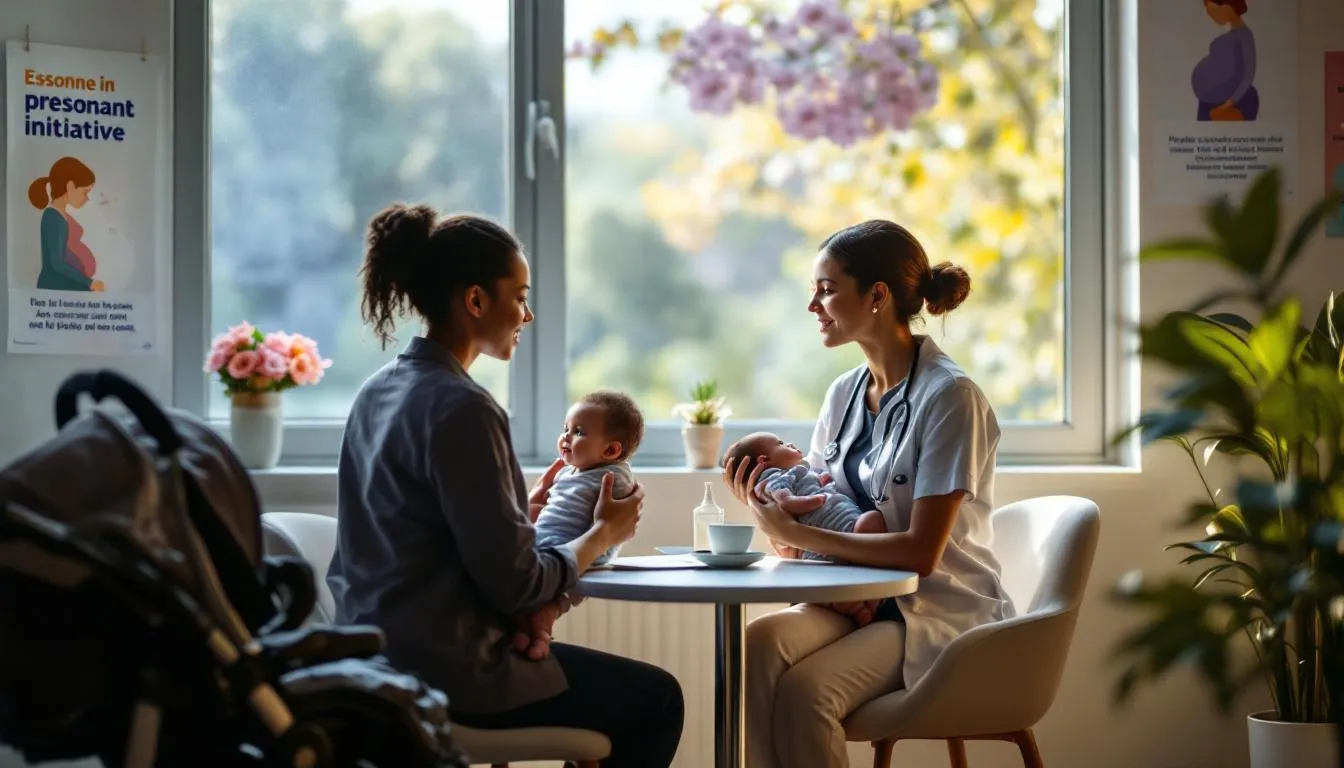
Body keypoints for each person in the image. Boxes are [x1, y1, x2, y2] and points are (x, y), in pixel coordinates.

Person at [327, 203, 684, 767]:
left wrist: (519, 514)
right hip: (448, 674)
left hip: (375, 657)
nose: (528, 313)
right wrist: (600, 533)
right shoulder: (464, 407)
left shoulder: (377, 390)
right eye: (519, 296)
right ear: (475, 301)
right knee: (659, 699)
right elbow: (517, 587)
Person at [723, 219, 1015, 767]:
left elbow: (919, 553)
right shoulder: (843, 394)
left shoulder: (951, 398)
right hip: (857, 599)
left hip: (929, 610)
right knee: (760, 642)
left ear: (877, 295)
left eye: (827, 288)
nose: (813, 304)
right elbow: (812, 526)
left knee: (809, 692)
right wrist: (772, 518)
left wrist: (795, 531)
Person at [515, 390, 644, 661]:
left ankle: (534, 638)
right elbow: (554, 507)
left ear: (611, 450)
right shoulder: (569, 471)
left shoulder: (614, 476)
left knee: (547, 590)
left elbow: (619, 518)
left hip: (577, 551)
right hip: (552, 544)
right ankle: (529, 636)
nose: (566, 437)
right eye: (566, 429)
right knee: (532, 599)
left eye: (579, 432)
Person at [29, 156, 103, 292]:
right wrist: (89, 283)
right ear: (70, 186)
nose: (86, 199)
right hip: (56, 286)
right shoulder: (52, 217)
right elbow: (56, 263)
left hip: (68, 285)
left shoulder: (61, 215)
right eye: (85, 192)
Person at [1192, 0, 1257, 121]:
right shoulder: (1233, 35)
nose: (1213, 17)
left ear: (1227, 6)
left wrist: (1228, 104)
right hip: (1211, 100)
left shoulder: (1244, 36)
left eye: (1214, 11)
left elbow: (1249, 73)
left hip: (1229, 102)